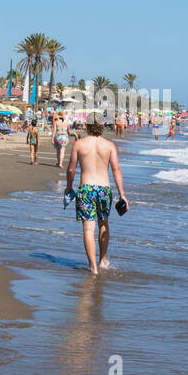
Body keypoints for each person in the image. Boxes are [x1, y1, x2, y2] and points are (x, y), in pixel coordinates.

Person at [66, 115, 129, 274]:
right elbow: (116, 170)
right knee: (103, 224)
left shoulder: (80, 144)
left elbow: (71, 169)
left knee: (88, 229)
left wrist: (68, 187)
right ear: (102, 126)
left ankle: (93, 267)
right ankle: (102, 260)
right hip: (103, 190)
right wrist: (122, 194)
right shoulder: (109, 146)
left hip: (86, 189)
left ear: (87, 127)